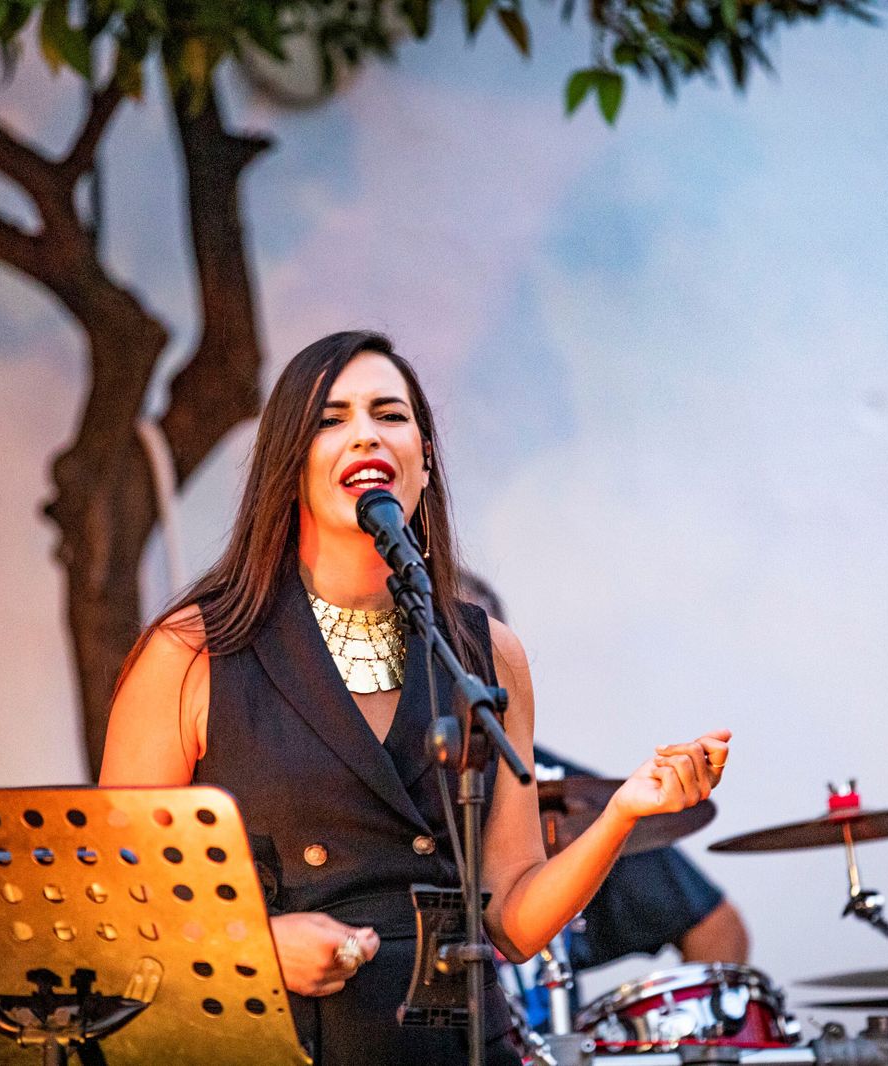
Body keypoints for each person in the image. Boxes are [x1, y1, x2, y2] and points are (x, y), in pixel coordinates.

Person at [100, 330, 731, 1066]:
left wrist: (625, 809)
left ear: (424, 460)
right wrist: (253, 946)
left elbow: (514, 919)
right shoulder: (193, 650)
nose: (365, 433)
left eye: (389, 414)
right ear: (289, 466)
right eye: (331, 419)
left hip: (458, 1039)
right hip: (282, 1040)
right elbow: (118, 902)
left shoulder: (485, 652)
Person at [454, 572, 750, 971]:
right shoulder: (372, 784)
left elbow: (717, 928)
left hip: (524, 1032)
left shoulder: (560, 792)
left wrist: (695, 1028)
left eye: (477, 654)